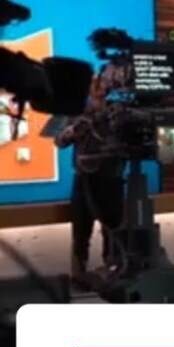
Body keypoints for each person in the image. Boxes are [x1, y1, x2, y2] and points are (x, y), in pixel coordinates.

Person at [58, 72, 125, 288]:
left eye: (102, 84)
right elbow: (59, 141)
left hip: (110, 180)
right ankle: (79, 278)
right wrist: (74, 130)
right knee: (80, 233)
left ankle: (114, 274)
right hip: (84, 180)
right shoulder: (77, 112)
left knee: (113, 232)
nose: (98, 88)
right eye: (94, 84)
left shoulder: (118, 111)